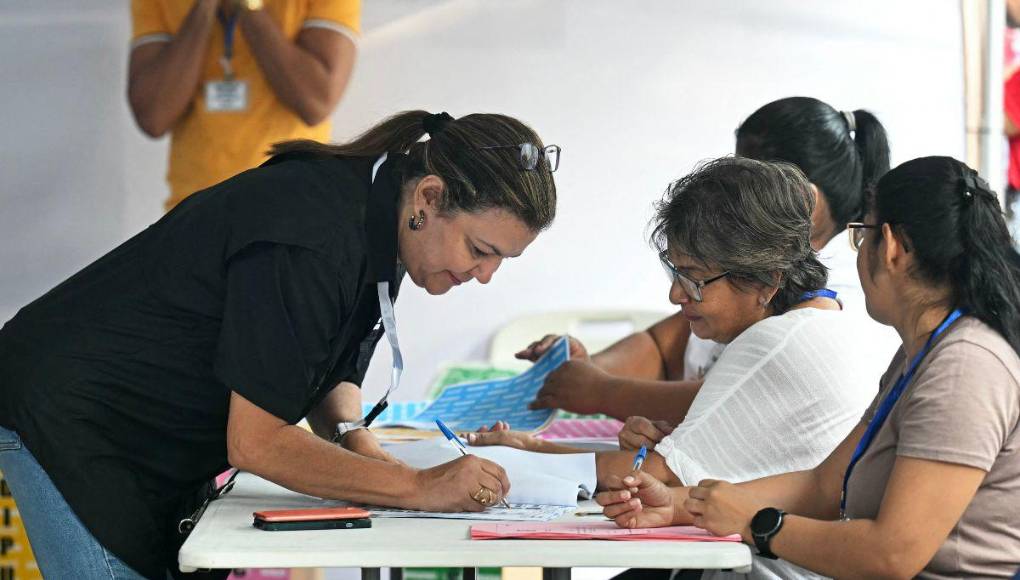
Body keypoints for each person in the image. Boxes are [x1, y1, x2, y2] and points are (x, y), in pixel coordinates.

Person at [0, 110, 559, 579]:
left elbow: (325, 366)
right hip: (74, 412)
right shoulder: (314, 235)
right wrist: (417, 486)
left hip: (141, 427)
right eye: (481, 250)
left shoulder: (378, 213)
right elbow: (258, 443)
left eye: (501, 261)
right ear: (430, 199)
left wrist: (351, 436)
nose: (484, 275)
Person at [600, 157, 1020, 579]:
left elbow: (891, 555)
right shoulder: (927, 352)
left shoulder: (965, 367)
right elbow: (823, 485)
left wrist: (757, 524)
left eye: (861, 237)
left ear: (890, 247)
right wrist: (680, 505)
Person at [471, 156, 879, 580]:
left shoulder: (775, 343)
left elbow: (646, 477)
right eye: (675, 272)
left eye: (694, 278)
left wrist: (518, 455)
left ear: (766, 282)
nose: (674, 295)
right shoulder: (825, 317)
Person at [516, 97, 896, 448]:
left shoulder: (835, 300)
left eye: (744, 184)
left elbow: (736, 396)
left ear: (802, 199)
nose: (678, 295)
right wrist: (582, 374)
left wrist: (603, 391)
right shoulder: (736, 278)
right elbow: (666, 345)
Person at [129, 0, 360, 210]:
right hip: (195, 212)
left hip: (291, 210)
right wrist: (203, 8)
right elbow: (153, 117)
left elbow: (315, 103)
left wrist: (248, 6)